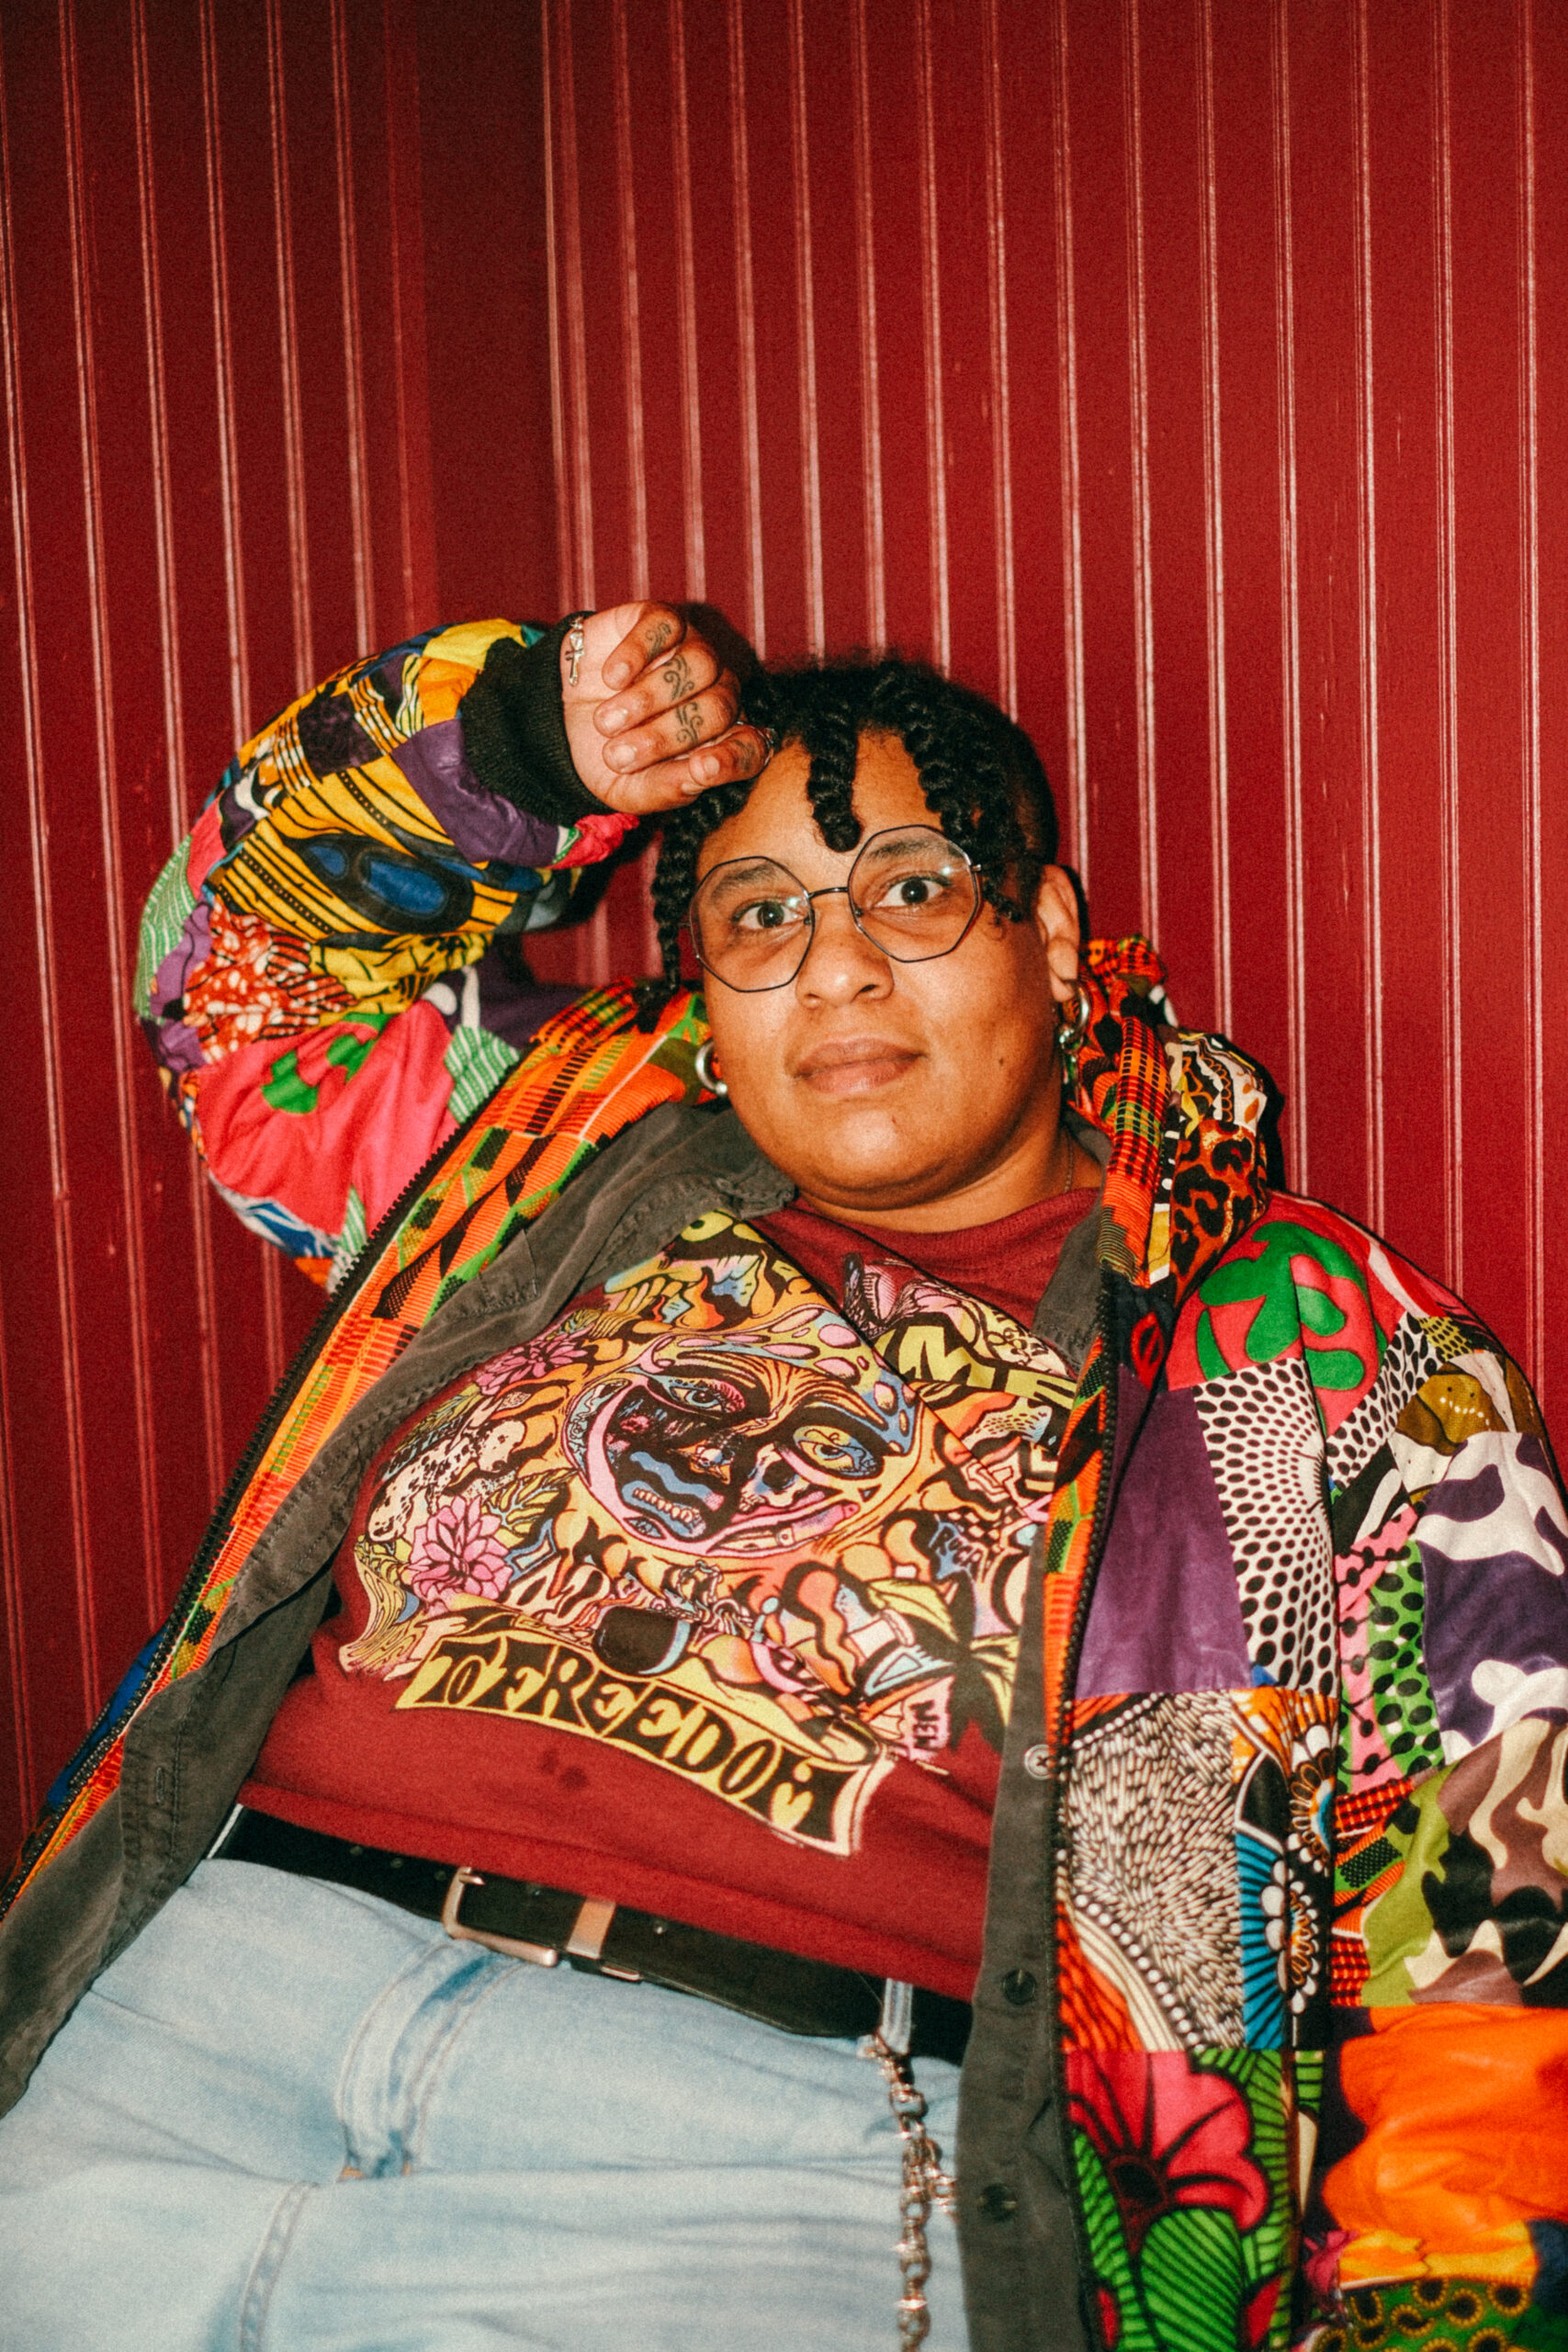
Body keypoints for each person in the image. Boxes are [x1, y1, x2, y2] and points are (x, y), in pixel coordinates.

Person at [1, 599, 1564, 2352]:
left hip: (765, 2151)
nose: (835, 969)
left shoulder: (1321, 1355)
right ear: (708, 991)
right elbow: (234, 976)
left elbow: (1495, 1969)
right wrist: (512, 742)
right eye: (761, 916)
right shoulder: (538, 1165)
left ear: (1051, 935)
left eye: (911, 889)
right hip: (204, 2018)